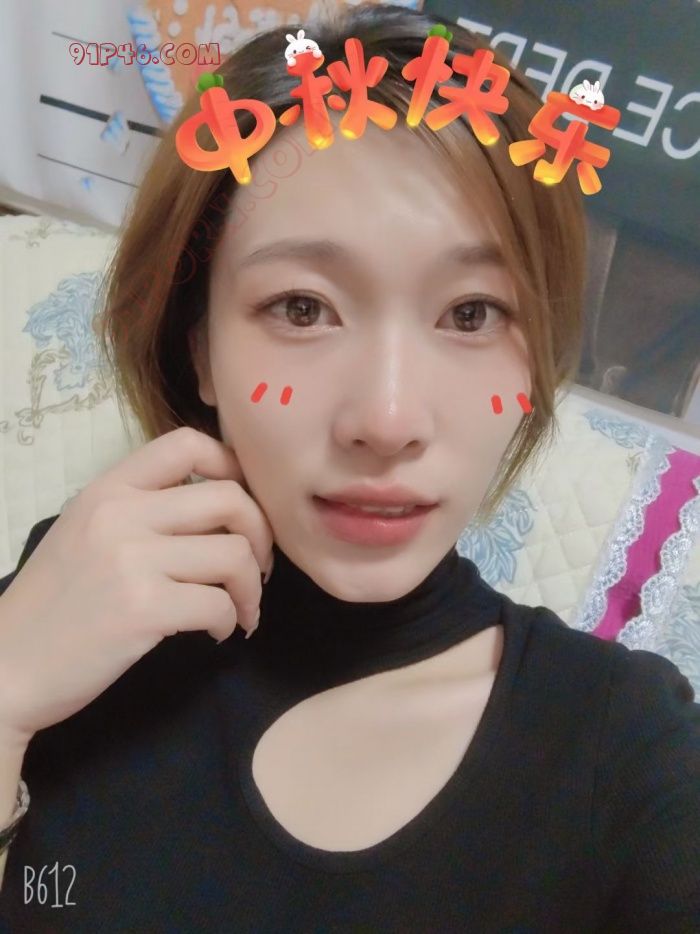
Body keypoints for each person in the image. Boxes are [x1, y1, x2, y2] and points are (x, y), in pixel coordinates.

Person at [0, 4, 698, 931]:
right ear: (199, 347)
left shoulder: (627, 747)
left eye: (472, 314)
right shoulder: (74, 594)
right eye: (302, 308)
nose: (387, 421)